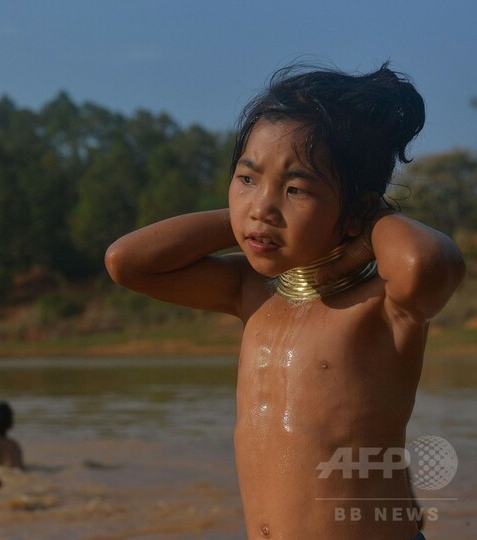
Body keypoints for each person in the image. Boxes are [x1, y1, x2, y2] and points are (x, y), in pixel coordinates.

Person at [105, 63, 464, 540]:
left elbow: (427, 262)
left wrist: (367, 224)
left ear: (359, 207)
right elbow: (127, 262)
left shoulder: (381, 306)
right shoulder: (254, 293)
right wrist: (245, 221)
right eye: (247, 179)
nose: (263, 207)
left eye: (296, 189)